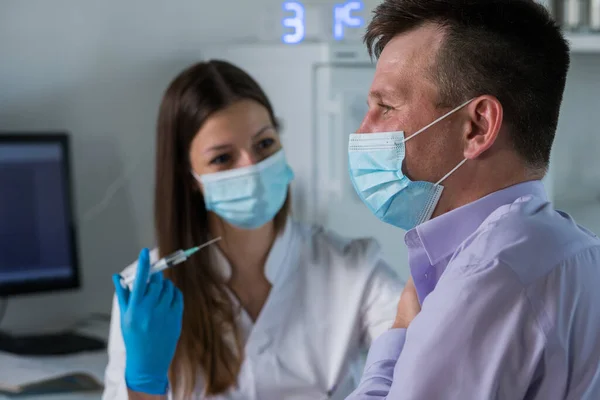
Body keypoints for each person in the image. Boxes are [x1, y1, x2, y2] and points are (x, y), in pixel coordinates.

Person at [102, 60, 403, 400]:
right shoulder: (148, 297)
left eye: (263, 144)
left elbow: (420, 361)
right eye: (222, 158)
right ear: (190, 178)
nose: (253, 167)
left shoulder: (354, 269)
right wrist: (143, 382)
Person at [345, 0, 600, 399]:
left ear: (477, 126)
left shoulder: (491, 276)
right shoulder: (577, 250)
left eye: (386, 107)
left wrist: (398, 336)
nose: (364, 131)